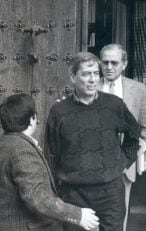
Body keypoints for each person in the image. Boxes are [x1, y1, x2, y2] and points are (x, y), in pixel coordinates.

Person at [45, 52, 140, 231]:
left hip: (110, 192)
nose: (92, 79)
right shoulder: (59, 111)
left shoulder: (114, 105)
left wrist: (123, 162)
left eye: (96, 74)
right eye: (86, 74)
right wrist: (58, 189)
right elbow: (51, 153)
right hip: (73, 194)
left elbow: (134, 134)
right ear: (73, 77)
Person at [0, 93, 99, 231]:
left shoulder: (5, 143)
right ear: (32, 119)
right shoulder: (22, 149)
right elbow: (37, 197)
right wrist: (78, 215)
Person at [98, 44, 146, 231]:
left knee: (119, 214)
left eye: (114, 62)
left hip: (125, 162)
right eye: (105, 62)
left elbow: (144, 125)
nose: (109, 67)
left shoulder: (137, 89)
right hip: (94, 163)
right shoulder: (91, 86)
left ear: (125, 64)